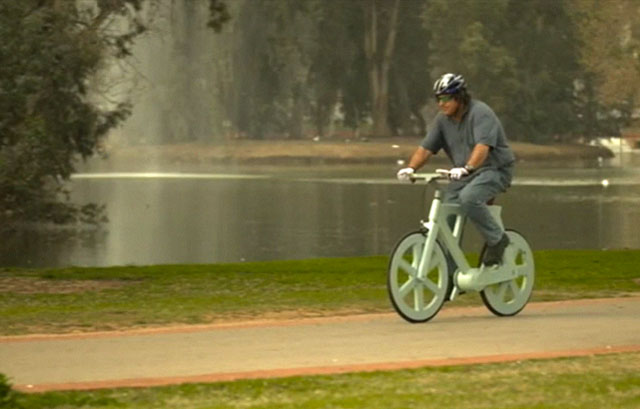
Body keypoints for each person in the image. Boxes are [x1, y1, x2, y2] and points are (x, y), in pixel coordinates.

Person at [397, 73, 515, 266]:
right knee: (446, 211)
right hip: (466, 174)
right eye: (438, 99)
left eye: (445, 98)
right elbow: (426, 149)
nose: (441, 104)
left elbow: (482, 148)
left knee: (469, 198)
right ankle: (451, 271)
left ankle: (497, 240)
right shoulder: (442, 120)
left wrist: (467, 168)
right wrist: (411, 168)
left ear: (459, 97)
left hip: (495, 170)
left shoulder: (481, 113)